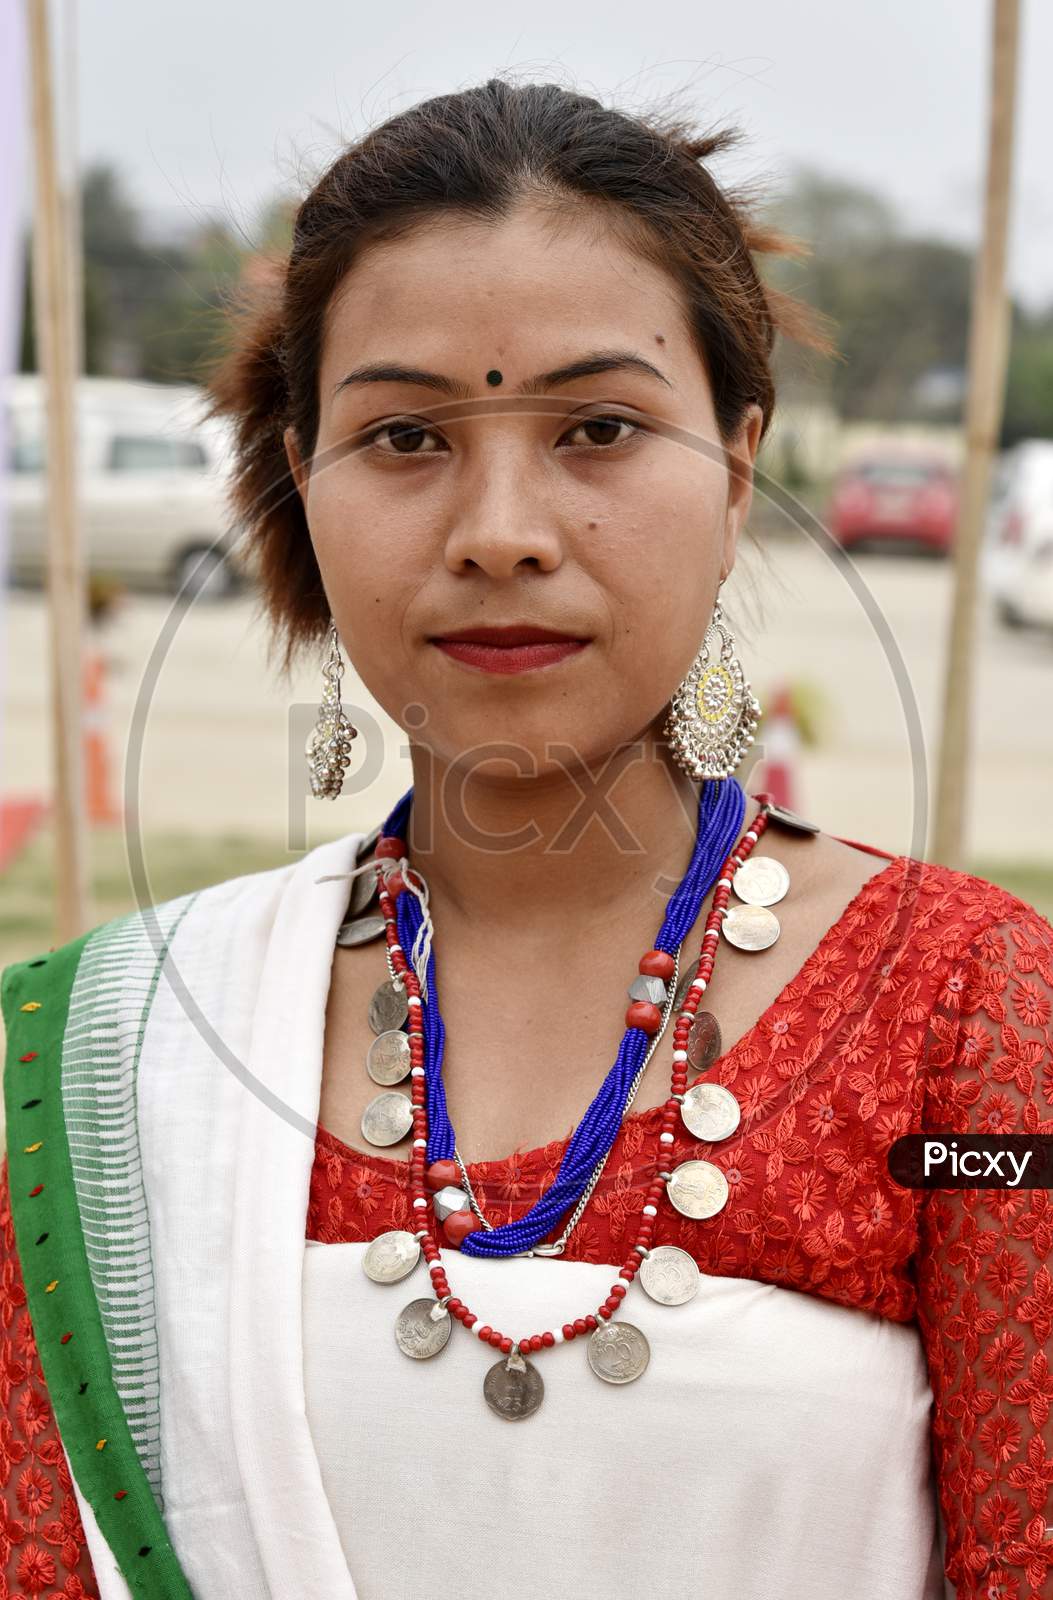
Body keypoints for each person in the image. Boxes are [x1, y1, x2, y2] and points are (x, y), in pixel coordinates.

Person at [2, 76, 1051, 1600]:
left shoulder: (970, 1019)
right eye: (408, 435)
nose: (501, 526)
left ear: (739, 459)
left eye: (600, 427)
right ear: (301, 471)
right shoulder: (103, 1068)